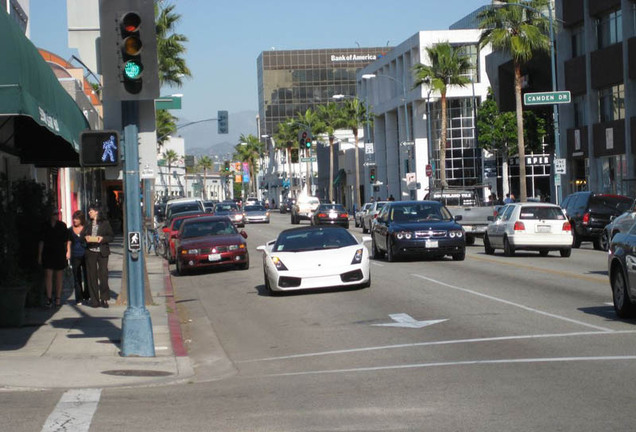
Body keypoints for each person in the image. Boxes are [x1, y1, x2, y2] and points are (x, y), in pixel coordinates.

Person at [38, 208, 71, 307]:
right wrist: (39, 255)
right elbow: (41, 241)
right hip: (47, 252)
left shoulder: (62, 225)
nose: (55, 216)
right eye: (54, 214)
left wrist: (68, 251)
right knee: (48, 275)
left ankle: (58, 298)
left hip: (59, 252)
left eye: (57, 214)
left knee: (59, 276)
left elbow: (67, 240)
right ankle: (49, 298)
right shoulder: (45, 225)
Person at [83, 205, 114, 308]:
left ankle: (104, 298)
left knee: (103, 275)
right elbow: (82, 236)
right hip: (91, 251)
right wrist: (86, 238)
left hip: (102, 252)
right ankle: (94, 300)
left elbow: (111, 236)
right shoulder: (88, 223)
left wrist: (103, 239)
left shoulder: (105, 223)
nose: (89, 213)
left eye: (91, 211)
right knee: (92, 276)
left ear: (96, 212)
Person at [69, 210, 89, 305]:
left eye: (77, 219)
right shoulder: (70, 230)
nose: (75, 220)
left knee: (87, 276)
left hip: (85, 254)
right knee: (77, 277)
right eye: (74, 218)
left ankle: (87, 295)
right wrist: (68, 252)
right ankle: (79, 298)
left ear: (81, 220)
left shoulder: (86, 229)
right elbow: (68, 241)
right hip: (75, 254)